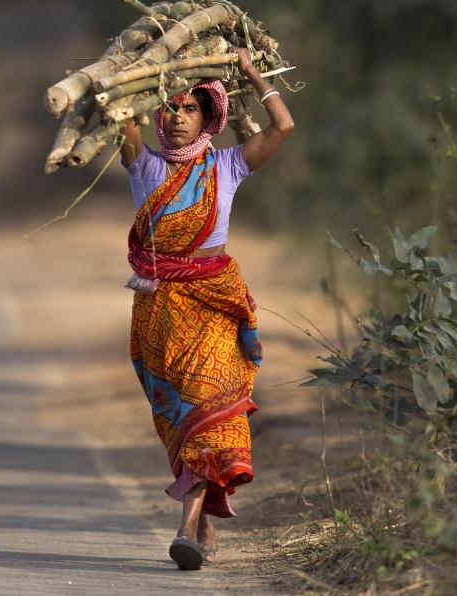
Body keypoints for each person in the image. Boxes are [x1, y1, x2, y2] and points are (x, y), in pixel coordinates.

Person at [119, 48, 294, 570]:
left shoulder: (228, 164)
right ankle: (205, 515)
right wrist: (141, 64)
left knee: (213, 408)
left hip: (214, 300)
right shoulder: (143, 164)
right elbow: (118, 113)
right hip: (161, 310)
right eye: (168, 109)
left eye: (188, 109)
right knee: (181, 417)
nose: (176, 118)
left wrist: (249, 72)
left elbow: (282, 124)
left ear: (209, 117)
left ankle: (187, 527)